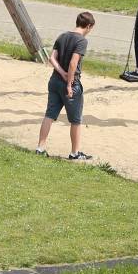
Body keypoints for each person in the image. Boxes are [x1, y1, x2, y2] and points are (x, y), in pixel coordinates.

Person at [37, 11, 95, 161]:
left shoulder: (62, 36)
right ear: (88, 26)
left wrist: (61, 73)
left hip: (54, 81)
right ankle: (75, 153)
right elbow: (73, 63)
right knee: (76, 120)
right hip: (71, 84)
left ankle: (40, 147)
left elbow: (52, 58)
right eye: (91, 29)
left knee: (49, 115)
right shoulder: (81, 41)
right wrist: (69, 83)